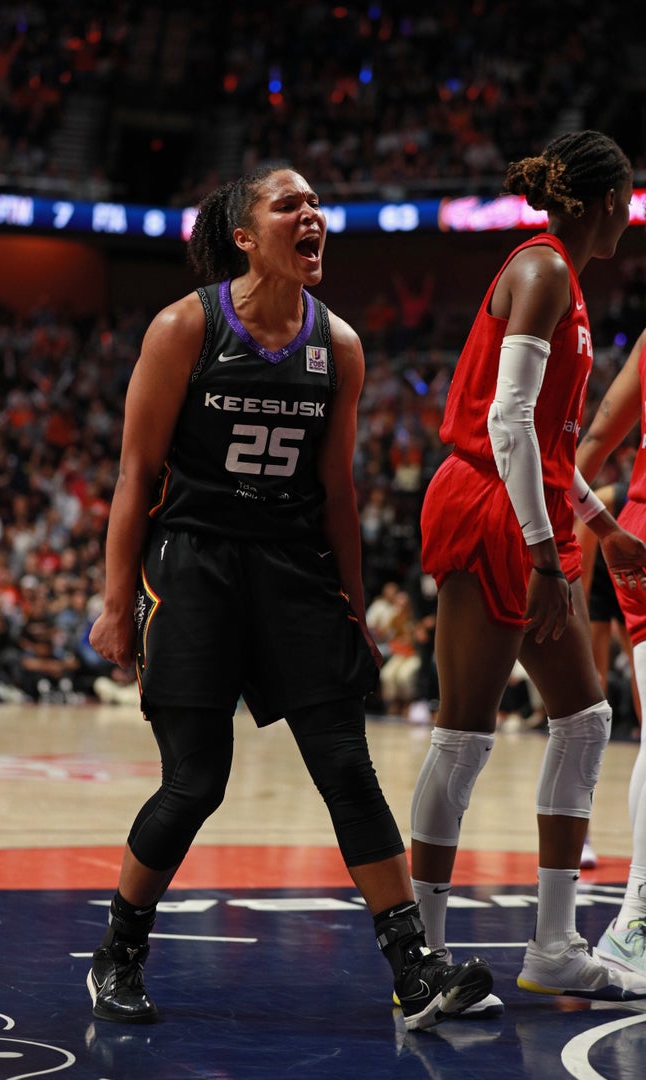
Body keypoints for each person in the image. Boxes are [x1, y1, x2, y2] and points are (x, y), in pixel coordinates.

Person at [86, 165, 493, 1030]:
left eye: (317, 206)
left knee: (346, 762)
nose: (312, 217)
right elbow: (135, 473)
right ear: (245, 233)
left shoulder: (337, 344)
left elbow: (337, 492)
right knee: (197, 780)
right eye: (290, 205)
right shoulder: (182, 328)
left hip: (293, 563)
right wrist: (117, 601)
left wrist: (353, 604)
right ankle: (118, 949)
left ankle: (412, 967)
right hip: (194, 561)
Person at [408, 130, 646, 1008]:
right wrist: (552, 559)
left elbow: (543, 442)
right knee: (464, 733)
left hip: (529, 509)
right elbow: (507, 422)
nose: (629, 212)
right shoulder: (544, 271)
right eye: (623, 197)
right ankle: (421, 961)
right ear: (590, 203)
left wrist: (603, 527)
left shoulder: (566, 282)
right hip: (489, 506)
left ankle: (554, 945)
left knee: (584, 720)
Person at [575, 326, 646, 974]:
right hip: (626, 553)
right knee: (591, 704)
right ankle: (635, 920)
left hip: (630, 544)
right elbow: (591, 439)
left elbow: (597, 435)